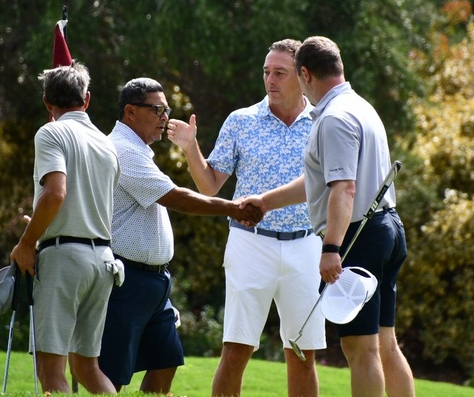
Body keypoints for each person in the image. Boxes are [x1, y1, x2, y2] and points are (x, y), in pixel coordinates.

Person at [242, 36, 415, 397]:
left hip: (358, 236)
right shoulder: (361, 107)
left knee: (361, 348)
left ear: (305, 74)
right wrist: (266, 202)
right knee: (385, 344)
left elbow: (344, 188)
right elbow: (319, 180)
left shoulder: (333, 118)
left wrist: (331, 247)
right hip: (388, 227)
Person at [166, 39, 325, 397]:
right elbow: (210, 186)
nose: (270, 80)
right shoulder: (241, 121)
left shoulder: (322, 123)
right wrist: (191, 148)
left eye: (280, 73)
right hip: (250, 243)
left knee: (302, 353)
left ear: (303, 76)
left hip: (306, 245)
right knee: (236, 349)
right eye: (266, 72)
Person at [98, 77, 264, 394]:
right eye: (157, 110)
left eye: (166, 110)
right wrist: (233, 208)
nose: (164, 117)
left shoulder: (138, 149)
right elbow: (176, 197)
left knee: (166, 361)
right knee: (112, 373)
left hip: (153, 282)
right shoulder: (122, 150)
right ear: (130, 112)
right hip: (125, 279)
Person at [10, 61, 119, 394]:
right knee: (87, 368)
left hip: (64, 259)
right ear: (87, 99)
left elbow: (56, 194)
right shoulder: (106, 143)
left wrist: (26, 242)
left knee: (50, 369)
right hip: (103, 260)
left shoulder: (51, 132)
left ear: (47, 102)